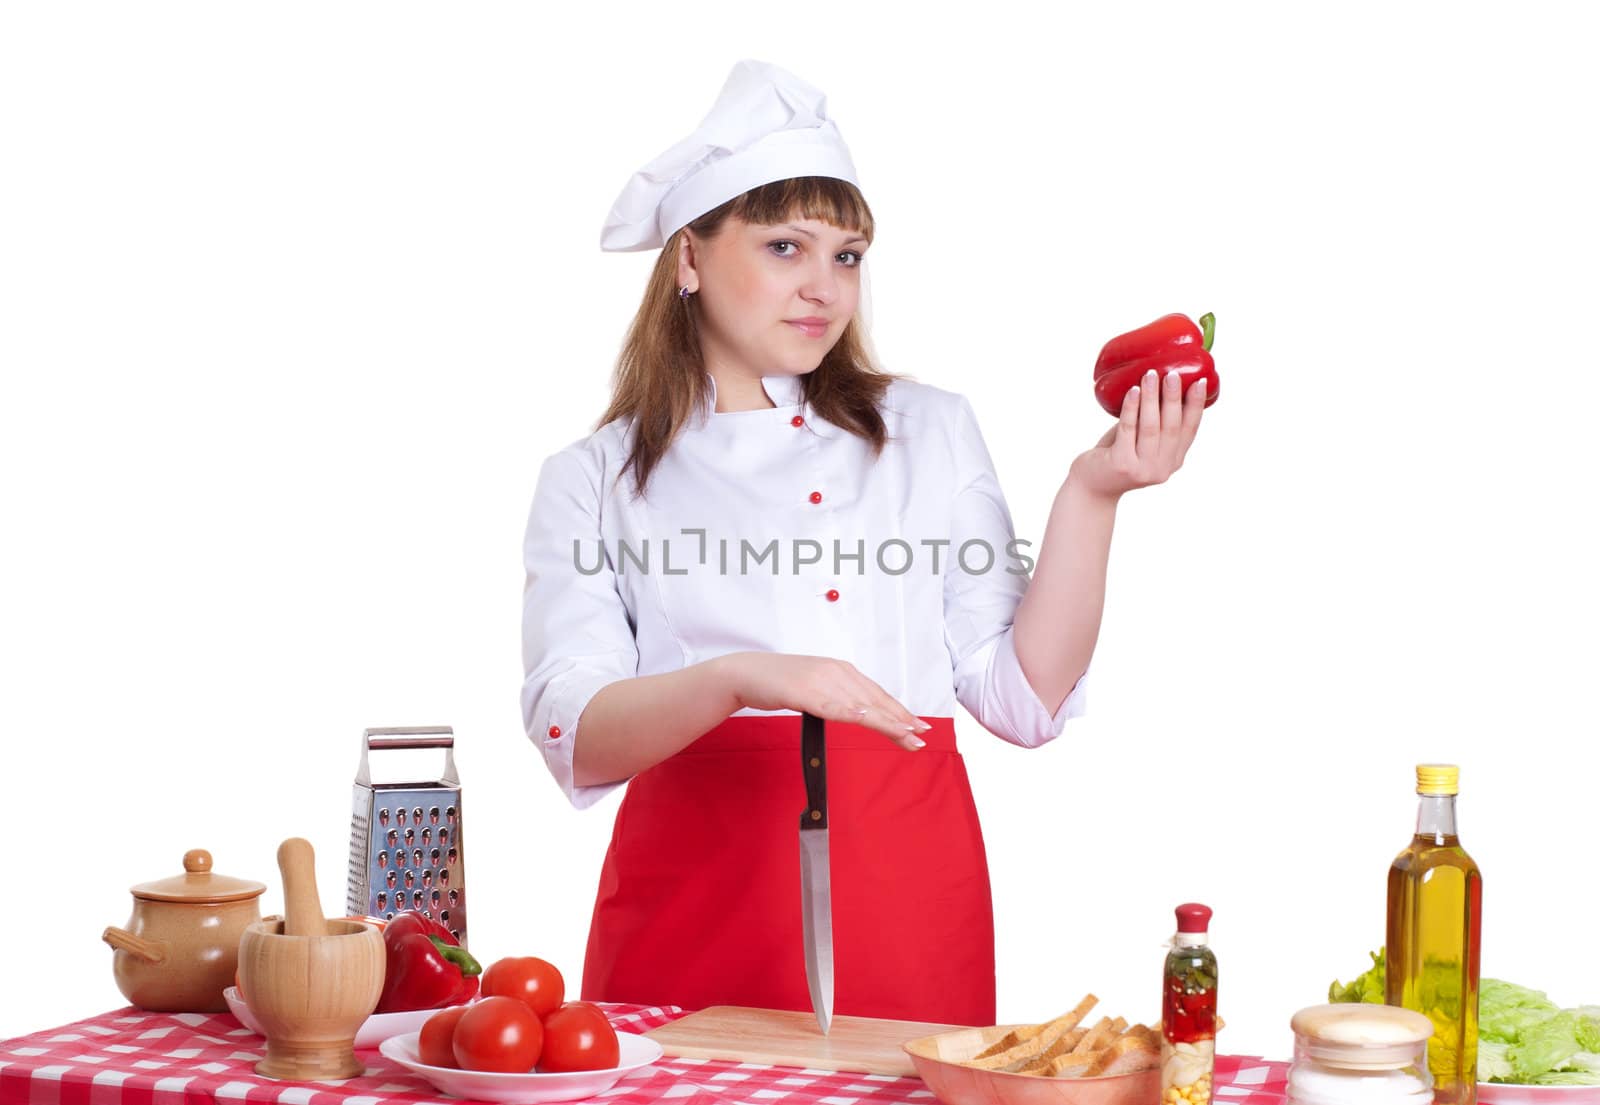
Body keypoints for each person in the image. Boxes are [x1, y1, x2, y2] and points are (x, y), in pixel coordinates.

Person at [520, 60, 1207, 1026]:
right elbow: (574, 730)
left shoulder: (929, 430)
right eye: (786, 246)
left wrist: (1094, 494)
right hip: (693, 900)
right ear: (688, 258)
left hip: (909, 893)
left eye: (846, 256)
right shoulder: (594, 477)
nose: (823, 288)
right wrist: (742, 676)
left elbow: (1021, 696)